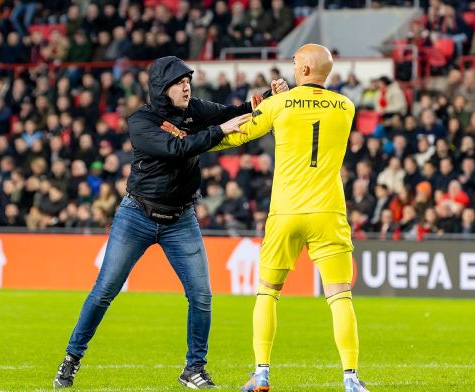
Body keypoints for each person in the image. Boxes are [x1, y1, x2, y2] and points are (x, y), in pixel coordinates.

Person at [53, 56, 288, 389]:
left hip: (181, 218)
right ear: (163, 89)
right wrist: (219, 131)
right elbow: (177, 148)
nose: (187, 86)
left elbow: (232, 111)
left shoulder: (195, 109)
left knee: (202, 296)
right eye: (180, 82)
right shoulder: (141, 121)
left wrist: (270, 93)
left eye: (188, 80)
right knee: (104, 290)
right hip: (136, 215)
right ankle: (71, 359)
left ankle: (194, 369)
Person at [211, 44, 368, 392]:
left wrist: (200, 142)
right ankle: (351, 379)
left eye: (297, 63)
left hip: (286, 211)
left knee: (267, 293)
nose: (294, 67)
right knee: (340, 296)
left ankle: (262, 373)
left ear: (307, 70)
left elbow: (237, 133)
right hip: (328, 211)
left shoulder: (278, 104)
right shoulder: (347, 106)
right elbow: (311, 110)